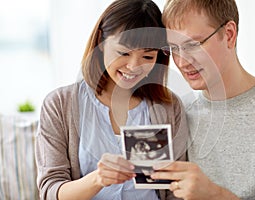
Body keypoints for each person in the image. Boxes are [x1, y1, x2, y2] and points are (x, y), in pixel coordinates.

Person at [35, 0, 188, 199]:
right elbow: (49, 191)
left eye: (148, 57)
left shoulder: (169, 107)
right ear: (101, 41)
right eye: (123, 52)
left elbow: (174, 192)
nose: (134, 66)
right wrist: (98, 179)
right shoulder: (59, 104)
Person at [150, 0, 255, 199]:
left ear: (229, 35)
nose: (182, 62)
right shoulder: (179, 113)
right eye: (174, 49)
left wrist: (215, 195)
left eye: (193, 45)